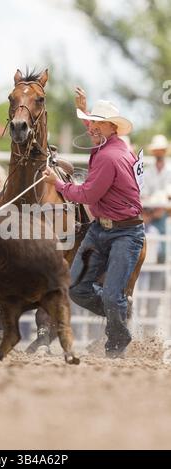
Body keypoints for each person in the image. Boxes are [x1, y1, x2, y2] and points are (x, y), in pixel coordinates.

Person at [43, 88, 145, 358]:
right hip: (106, 228)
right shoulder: (114, 146)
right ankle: (119, 318)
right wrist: (86, 112)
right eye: (92, 122)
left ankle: (116, 329)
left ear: (111, 127)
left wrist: (58, 184)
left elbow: (87, 194)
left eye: (98, 123)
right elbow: (96, 132)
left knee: (105, 294)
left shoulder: (109, 157)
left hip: (124, 232)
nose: (92, 127)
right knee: (77, 287)